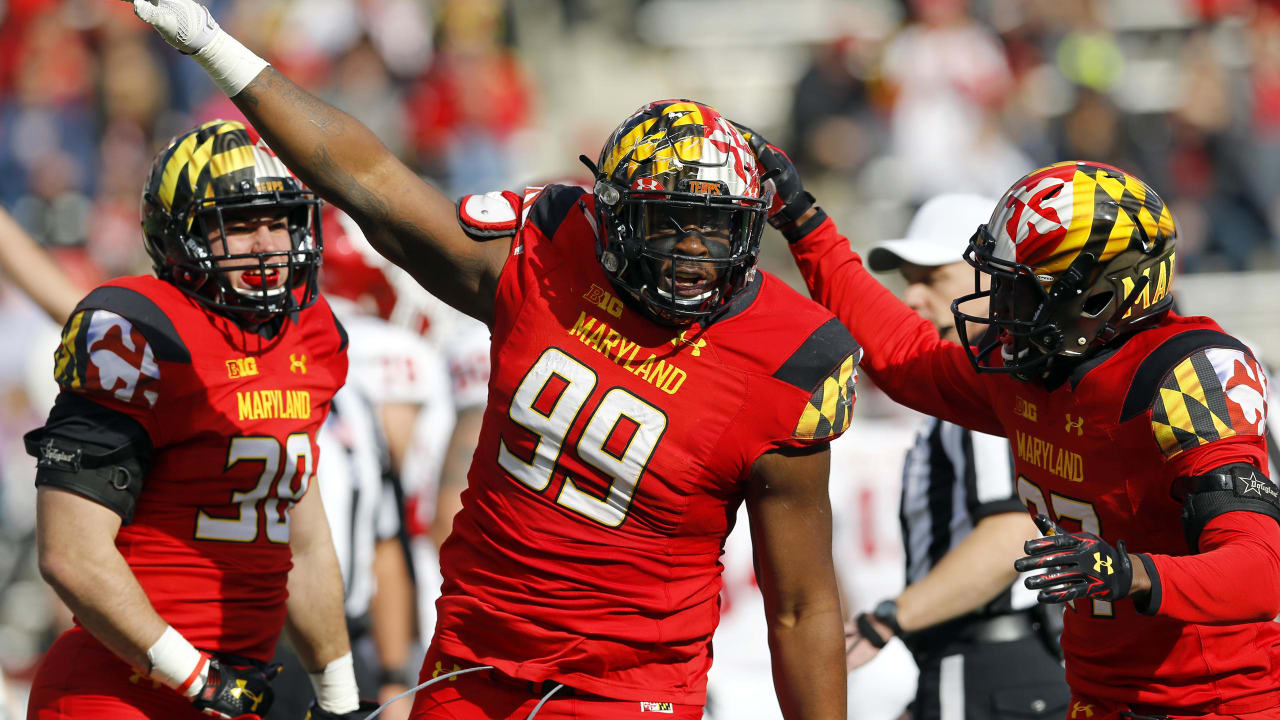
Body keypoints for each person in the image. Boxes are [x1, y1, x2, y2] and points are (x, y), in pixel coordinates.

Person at [126, 3, 862, 718]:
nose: (691, 255)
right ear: (607, 212)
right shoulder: (547, 253)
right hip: (471, 661)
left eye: (715, 228)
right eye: (667, 224)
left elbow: (802, 607)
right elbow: (372, 184)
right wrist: (213, 43)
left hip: (628, 689)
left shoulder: (789, 360)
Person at [743, 131, 1280, 718]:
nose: (1000, 311)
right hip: (1098, 696)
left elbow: (1261, 568)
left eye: (1022, 292)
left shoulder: (1182, 374)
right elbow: (903, 356)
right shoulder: (1032, 371)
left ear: (1097, 298)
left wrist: (1132, 572)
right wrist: (802, 221)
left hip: (1217, 701)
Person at [23, 119, 372, 720]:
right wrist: (200, 680)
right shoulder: (140, 329)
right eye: (238, 225)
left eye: (278, 220)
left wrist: (339, 699)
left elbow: (305, 538)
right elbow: (70, 552)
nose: (266, 242)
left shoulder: (313, 335)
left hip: (238, 691)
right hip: (122, 689)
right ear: (181, 236)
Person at [844, 194, 1068, 719]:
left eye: (933, 277)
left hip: (991, 659)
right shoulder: (1006, 379)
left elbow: (1012, 534)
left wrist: (889, 618)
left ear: (995, 281)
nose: (912, 298)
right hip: (1000, 663)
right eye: (908, 279)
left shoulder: (999, 381)